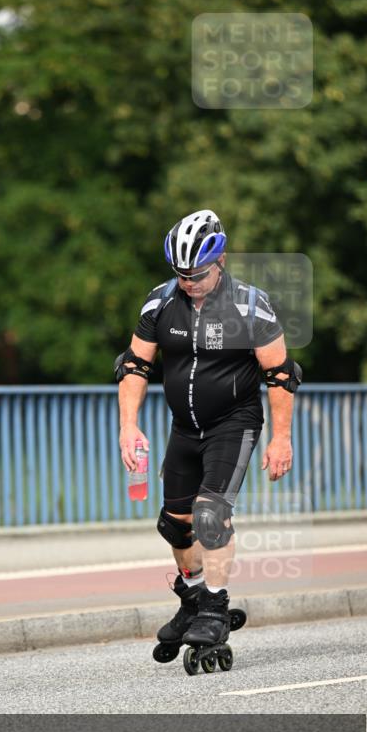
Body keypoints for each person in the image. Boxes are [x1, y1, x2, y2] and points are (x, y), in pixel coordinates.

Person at [115, 210, 302, 654]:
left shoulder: (250, 305)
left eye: (197, 273)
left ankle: (215, 609)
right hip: (184, 427)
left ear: (219, 261)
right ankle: (193, 596)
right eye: (181, 274)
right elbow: (135, 365)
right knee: (175, 525)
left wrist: (281, 438)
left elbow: (280, 375)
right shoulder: (159, 302)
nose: (188, 281)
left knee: (209, 514)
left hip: (233, 423)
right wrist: (128, 426)